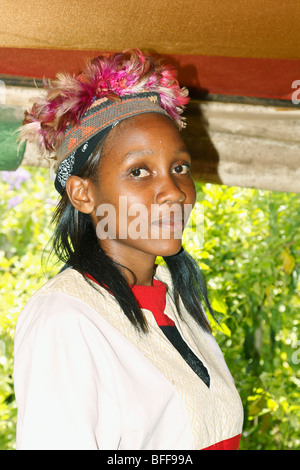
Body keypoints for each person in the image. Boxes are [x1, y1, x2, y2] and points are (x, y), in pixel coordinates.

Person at [14, 50, 243, 450]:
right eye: (139, 171)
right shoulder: (66, 318)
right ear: (83, 193)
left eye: (180, 167)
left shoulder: (176, 298)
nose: (174, 192)